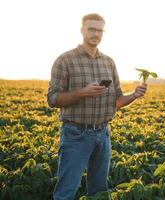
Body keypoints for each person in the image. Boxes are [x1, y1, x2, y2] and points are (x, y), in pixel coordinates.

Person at [47, 13, 147, 200]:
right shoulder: (65, 60)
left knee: (99, 192)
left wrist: (134, 95)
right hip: (75, 134)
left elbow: (116, 101)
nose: (95, 34)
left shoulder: (109, 62)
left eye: (99, 30)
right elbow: (52, 99)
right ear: (82, 30)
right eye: (91, 29)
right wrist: (82, 92)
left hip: (103, 134)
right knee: (67, 191)